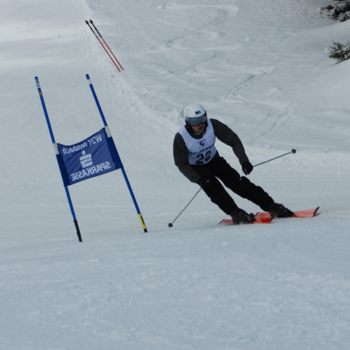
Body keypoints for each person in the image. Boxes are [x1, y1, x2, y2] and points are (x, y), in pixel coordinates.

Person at [173, 103, 294, 223]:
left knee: (238, 183)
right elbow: (181, 163)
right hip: (197, 167)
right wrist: (197, 179)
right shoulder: (182, 137)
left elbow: (233, 140)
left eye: (203, 119)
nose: (201, 124)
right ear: (188, 123)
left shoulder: (213, 125)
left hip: (214, 161)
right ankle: (235, 212)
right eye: (195, 122)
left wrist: (244, 161)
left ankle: (270, 206)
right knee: (213, 188)